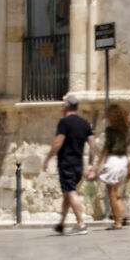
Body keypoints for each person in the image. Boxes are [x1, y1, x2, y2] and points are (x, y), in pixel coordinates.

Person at [48, 93, 93, 234]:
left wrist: (47, 159)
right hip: (78, 165)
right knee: (68, 193)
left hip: (66, 163)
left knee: (71, 192)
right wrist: (91, 163)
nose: (61, 107)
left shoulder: (64, 122)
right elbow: (93, 145)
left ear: (67, 106)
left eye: (63, 104)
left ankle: (81, 223)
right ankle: (61, 223)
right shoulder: (84, 123)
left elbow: (58, 143)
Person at [95, 101, 130, 228]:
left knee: (111, 193)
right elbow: (127, 147)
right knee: (116, 192)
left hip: (113, 161)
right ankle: (122, 214)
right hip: (123, 161)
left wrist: (98, 163)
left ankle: (117, 222)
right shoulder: (125, 130)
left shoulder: (110, 131)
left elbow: (106, 148)